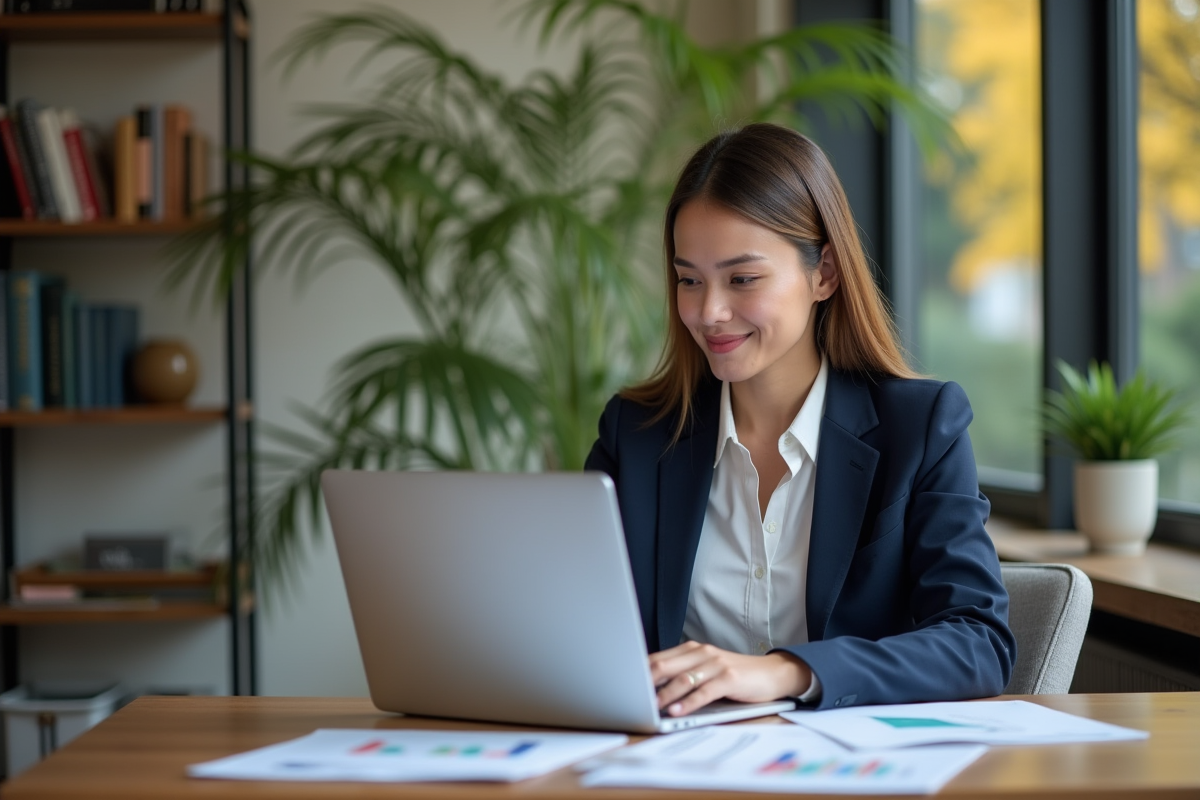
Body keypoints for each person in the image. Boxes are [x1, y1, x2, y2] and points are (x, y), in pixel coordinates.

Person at [584, 122, 1016, 715]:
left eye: (742, 278)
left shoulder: (919, 428)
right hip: (668, 771)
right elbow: (575, 628)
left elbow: (978, 644)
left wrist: (787, 671)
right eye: (689, 280)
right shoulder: (634, 434)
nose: (709, 312)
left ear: (825, 273)